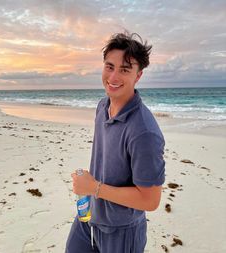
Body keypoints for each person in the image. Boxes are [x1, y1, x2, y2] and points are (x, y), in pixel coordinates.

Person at [65, 32, 165, 253]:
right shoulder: (103, 107)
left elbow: (151, 200)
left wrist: (95, 187)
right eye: (110, 67)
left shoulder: (144, 132)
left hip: (122, 232)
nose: (114, 77)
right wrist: (91, 189)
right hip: (89, 216)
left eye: (125, 70)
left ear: (138, 76)